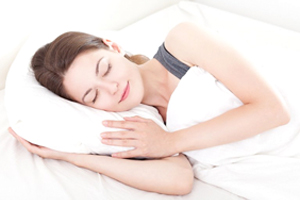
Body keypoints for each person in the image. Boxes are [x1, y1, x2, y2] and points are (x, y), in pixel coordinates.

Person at [9, 22, 290, 195]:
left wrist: (169, 142)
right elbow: (179, 180)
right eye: (93, 96)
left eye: (105, 69)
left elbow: (273, 110)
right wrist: (69, 156)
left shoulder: (183, 42)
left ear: (113, 46)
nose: (113, 88)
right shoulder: (139, 120)